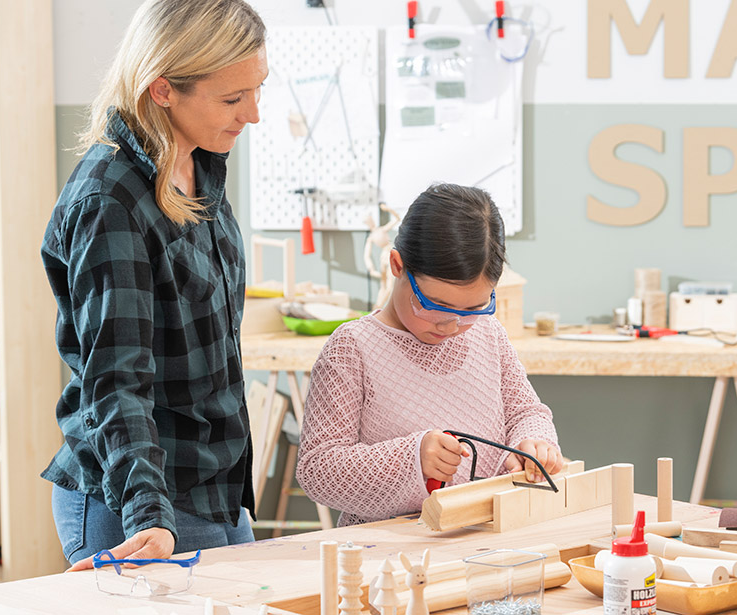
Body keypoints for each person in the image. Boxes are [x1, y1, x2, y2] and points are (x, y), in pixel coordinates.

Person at [40, 0, 268, 569]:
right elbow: (116, 382)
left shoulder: (200, 164)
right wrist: (148, 513)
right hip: (142, 502)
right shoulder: (110, 201)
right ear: (163, 89)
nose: (254, 114)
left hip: (213, 491)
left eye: (258, 90)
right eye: (234, 98)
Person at [296, 183, 563, 526]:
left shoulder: (488, 332)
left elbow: (525, 411)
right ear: (396, 264)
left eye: (473, 308)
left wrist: (535, 441)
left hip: (489, 536)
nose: (452, 326)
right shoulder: (352, 349)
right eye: (436, 306)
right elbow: (317, 470)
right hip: (388, 553)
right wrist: (412, 458)